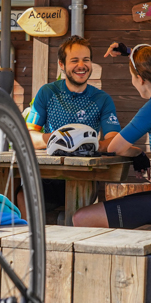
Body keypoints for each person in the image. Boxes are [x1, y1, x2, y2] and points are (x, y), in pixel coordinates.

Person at [72, 43, 151, 229]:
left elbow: (114, 148)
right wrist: (130, 53)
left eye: (132, 76)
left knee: (82, 218)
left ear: (140, 79)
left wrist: (137, 152)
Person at [18, 35, 121, 217]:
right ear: (62, 64)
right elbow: (27, 136)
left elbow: (113, 139)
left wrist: (85, 144)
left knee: (76, 208)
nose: (81, 65)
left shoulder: (102, 99)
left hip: (85, 177)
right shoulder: (47, 92)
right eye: (74, 60)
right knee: (19, 194)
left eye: (86, 60)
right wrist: (61, 139)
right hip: (48, 175)